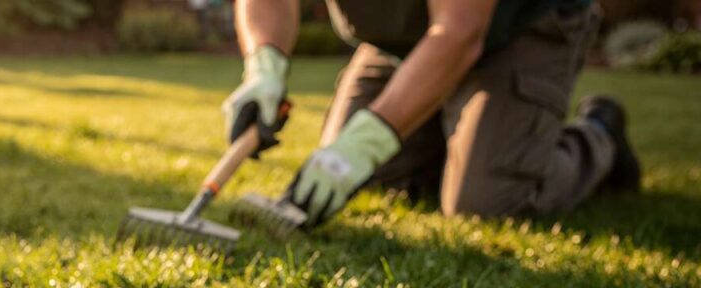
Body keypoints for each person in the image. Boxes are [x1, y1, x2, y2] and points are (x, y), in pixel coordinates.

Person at [222, 0, 642, 228]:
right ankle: (463, 142)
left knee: (484, 203)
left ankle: (600, 133)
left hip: (522, 26)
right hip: (404, 41)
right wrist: (265, 70)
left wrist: (367, 143)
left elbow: (460, 30)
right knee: (362, 175)